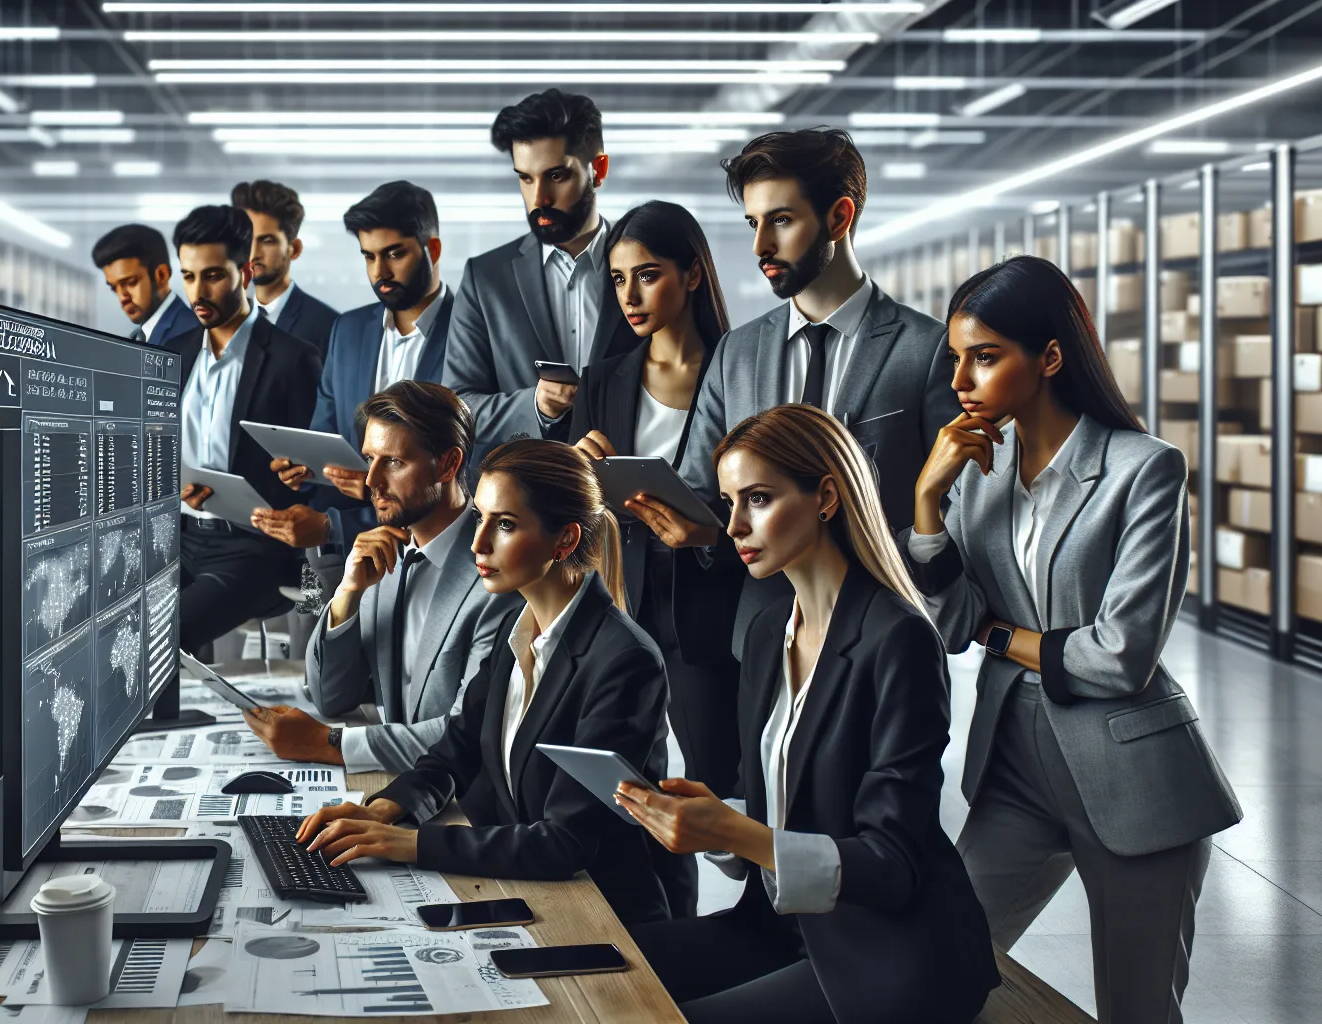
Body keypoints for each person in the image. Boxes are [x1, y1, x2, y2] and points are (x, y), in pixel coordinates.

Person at [902, 256, 1240, 1024]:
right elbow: (952, 624)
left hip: (1132, 778)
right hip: (1015, 773)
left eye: (984, 357)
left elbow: (1120, 655)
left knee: (1136, 1009)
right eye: (956, 358)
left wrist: (1000, 632)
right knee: (937, 966)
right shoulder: (980, 474)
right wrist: (928, 497)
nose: (961, 380)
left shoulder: (1143, 470)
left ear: (1050, 357)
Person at [621, 404, 998, 1024]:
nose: (735, 525)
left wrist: (730, 832)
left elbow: (893, 866)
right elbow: (783, 816)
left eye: (758, 499)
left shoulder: (898, 638)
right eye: (728, 502)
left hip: (886, 953)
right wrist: (709, 819)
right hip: (777, 928)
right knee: (602, 966)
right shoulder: (770, 632)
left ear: (825, 496)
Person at [295, 439, 685, 926]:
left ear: (564, 540)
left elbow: (566, 841)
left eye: (504, 525)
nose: (478, 544)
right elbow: (455, 749)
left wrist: (408, 843)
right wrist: (383, 810)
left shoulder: (625, 660)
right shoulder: (514, 626)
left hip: (607, 915)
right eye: (479, 518)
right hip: (529, 888)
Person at [653, 128, 959, 656]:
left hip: (885, 636)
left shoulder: (927, 349)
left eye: (782, 220)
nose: (760, 246)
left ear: (840, 217)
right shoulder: (736, 354)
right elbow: (701, 490)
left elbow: (958, 508)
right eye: (753, 223)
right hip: (764, 637)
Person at [553, 200, 744, 797]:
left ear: (691, 274)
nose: (629, 296)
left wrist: (709, 531)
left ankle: (747, 877)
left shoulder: (738, 373)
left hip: (707, 601)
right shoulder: (604, 378)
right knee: (619, 778)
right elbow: (572, 510)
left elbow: (759, 499)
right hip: (620, 596)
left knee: (719, 777)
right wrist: (577, 469)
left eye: (647, 274)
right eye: (617, 279)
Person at [244, 381, 519, 772]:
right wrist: (346, 595)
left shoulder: (498, 572)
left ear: (448, 464)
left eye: (393, 462)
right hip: (402, 781)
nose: (370, 481)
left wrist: (330, 744)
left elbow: (466, 735)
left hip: (461, 799)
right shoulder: (385, 554)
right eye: (369, 458)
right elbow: (331, 698)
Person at [252, 181, 456, 560]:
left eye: (395, 254)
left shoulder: (469, 332)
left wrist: (376, 488)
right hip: (346, 550)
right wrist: (303, 466)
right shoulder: (347, 331)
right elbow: (324, 433)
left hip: (437, 547)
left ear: (433, 249)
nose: (381, 271)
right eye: (369, 256)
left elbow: (471, 466)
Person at [442, 89, 641, 457]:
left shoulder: (649, 268)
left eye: (556, 176)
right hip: (522, 498)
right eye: (526, 178)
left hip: (630, 496)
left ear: (598, 170)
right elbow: (457, 406)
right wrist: (534, 406)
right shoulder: (485, 279)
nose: (539, 199)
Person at [168, 204, 322, 652]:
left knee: (165, 635)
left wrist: (300, 475)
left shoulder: (294, 359)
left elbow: (316, 479)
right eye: (189, 275)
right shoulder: (173, 356)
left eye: (213, 275)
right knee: (104, 618)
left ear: (247, 272)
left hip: (255, 550)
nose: (198, 290)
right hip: (179, 538)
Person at [231, 179, 339, 358]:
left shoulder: (329, 326)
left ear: (294, 249)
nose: (253, 253)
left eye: (267, 241)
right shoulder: (228, 320)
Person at [90, 223, 198, 348]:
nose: (122, 298)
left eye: (130, 283)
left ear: (161, 275)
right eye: (114, 288)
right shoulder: (137, 336)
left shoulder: (191, 333)